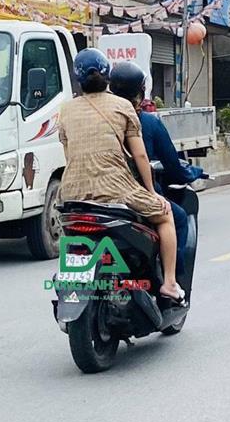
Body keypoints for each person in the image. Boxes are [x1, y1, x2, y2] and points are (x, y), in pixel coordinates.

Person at [57, 49, 185, 302]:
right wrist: (150, 192)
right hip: (116, 189)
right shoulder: (123, 106)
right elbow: (140, 157)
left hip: (72, 193)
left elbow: (69, 153)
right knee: (166, 214)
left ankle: (70, 283)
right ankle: (170, 284)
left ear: (77, 79)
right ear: (108, 77)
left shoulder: (66, 110)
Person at [109, 61, 207, 259]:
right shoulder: (147, 122)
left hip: (97, 194)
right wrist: (191, 173)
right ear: (141, 92)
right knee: (178, 218)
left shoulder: (100, 118)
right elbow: (168, 164)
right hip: (134, 193)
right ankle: (171, 281)